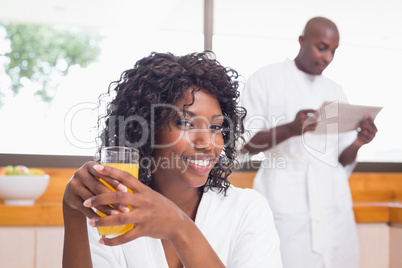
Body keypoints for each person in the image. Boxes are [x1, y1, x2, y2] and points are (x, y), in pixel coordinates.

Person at [62, 52, 283, 268]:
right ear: (146, 131)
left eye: (215, 127)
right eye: (186, 123)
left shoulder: (247, 210)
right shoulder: (110, 208)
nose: (207, 142)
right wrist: (73, 215)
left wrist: (179, 228)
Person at [240, 17, 378, 268]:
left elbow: (342, 159)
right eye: (322, 47)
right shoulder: (267, 78)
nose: (327, 58)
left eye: (333, 51)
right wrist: (291, 129)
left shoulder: (335, 91)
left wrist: (359, 141)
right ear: (302, 41)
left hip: (332, 198)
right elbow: (245, 145)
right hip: (285, 196)